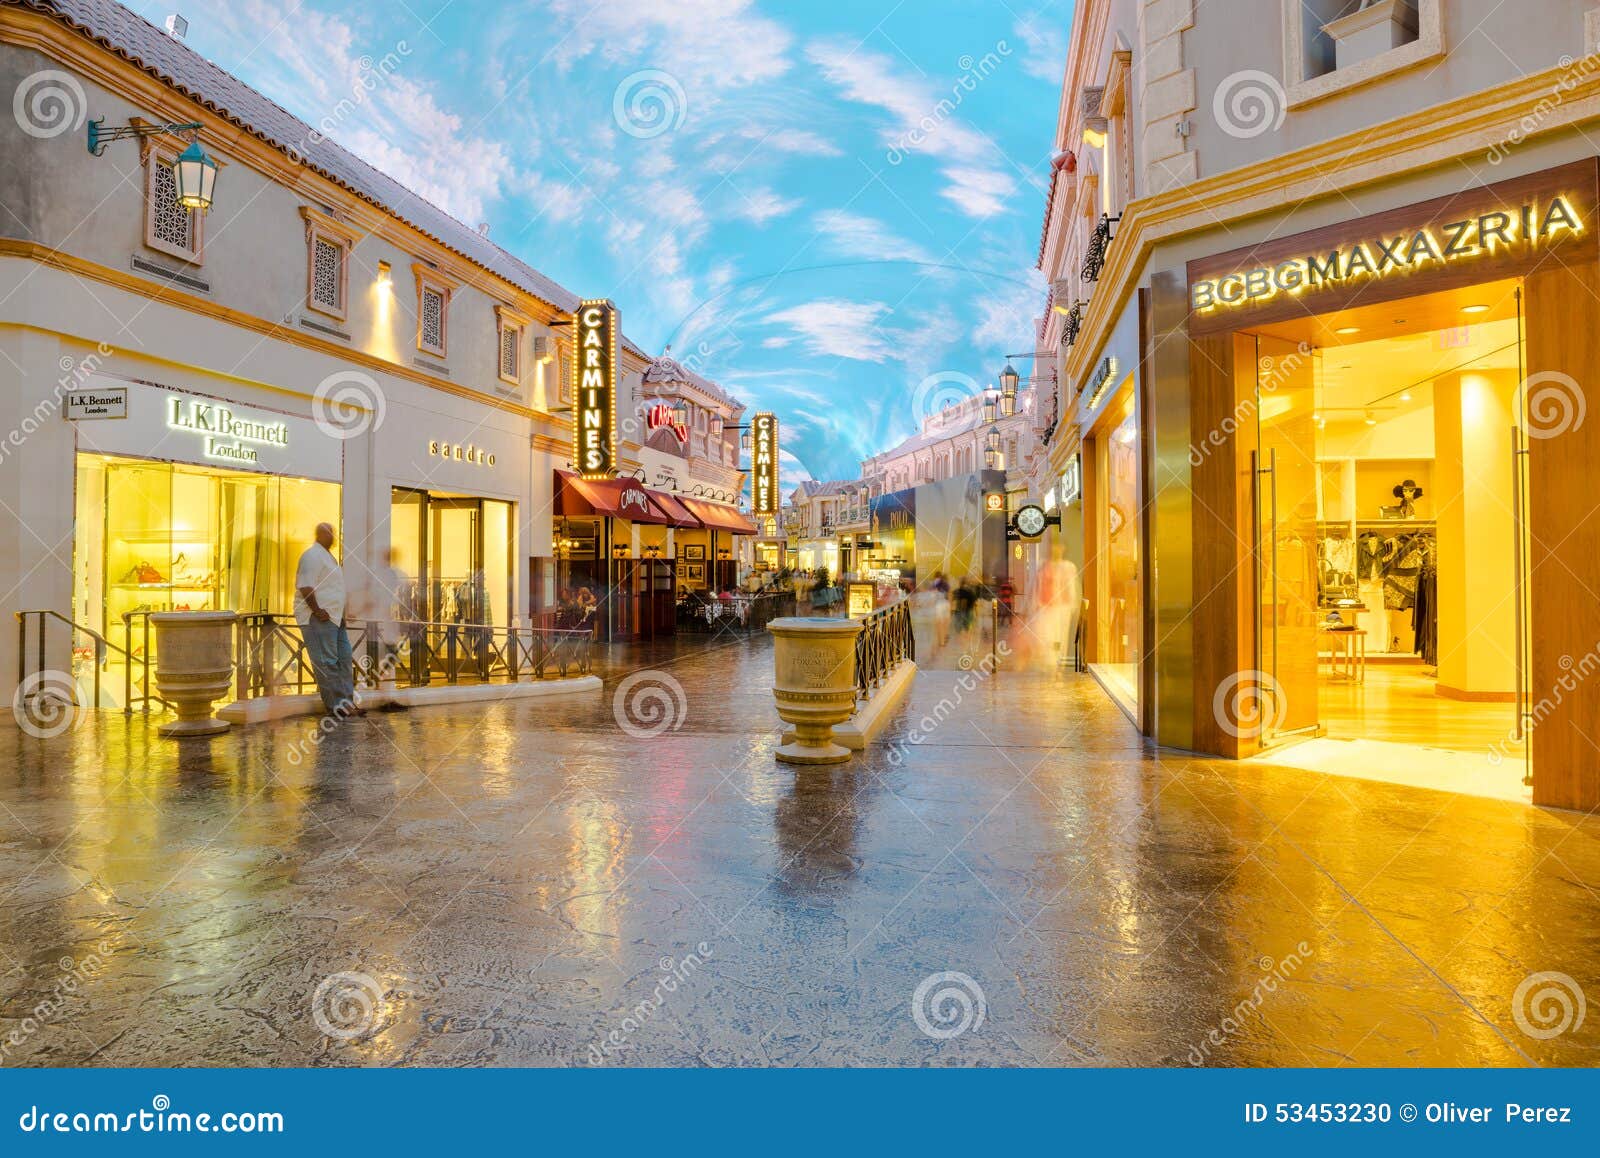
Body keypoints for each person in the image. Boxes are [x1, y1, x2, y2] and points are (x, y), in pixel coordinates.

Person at [295, 522, 363, 718]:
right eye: (329, 533)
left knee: (343, 659)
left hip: (335, 618)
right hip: (318, 618)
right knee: (327, 662)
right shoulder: (312, 555)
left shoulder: (327, 557)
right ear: (320, 534)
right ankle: (336, 706)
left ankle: (347, 703)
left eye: (333, 532)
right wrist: (317, 610)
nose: (333, 536)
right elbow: (305, 586)